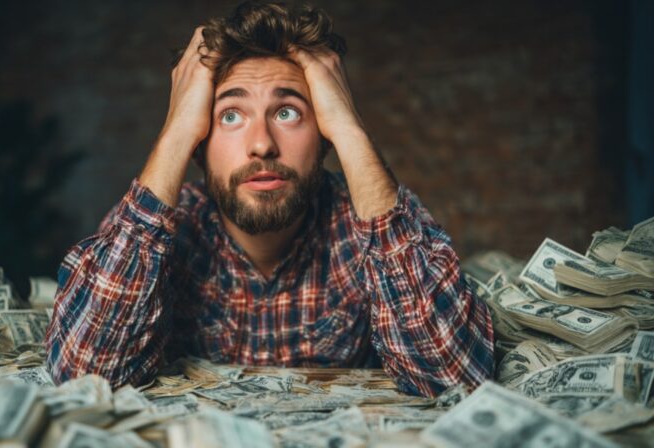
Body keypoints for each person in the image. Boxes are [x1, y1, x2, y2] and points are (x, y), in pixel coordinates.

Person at [45, 1, 494, 398]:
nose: (262, 145)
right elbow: (84, 375)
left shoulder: (377, 218)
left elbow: (455, 375)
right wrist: (177, 129)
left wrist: (350, 129)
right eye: (231, 115)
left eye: (287, 113)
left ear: (322, 136)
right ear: (200, 142)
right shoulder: (158, 227)